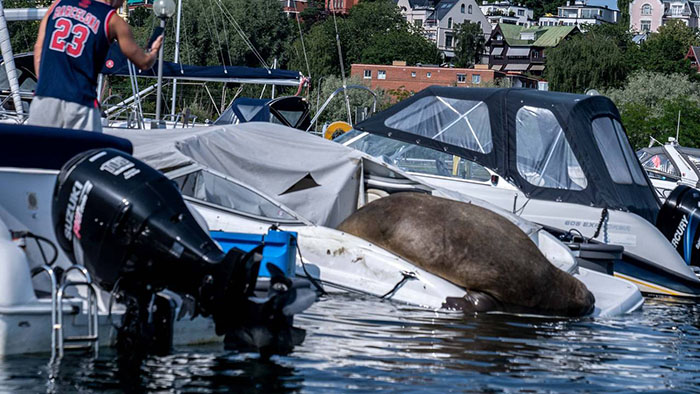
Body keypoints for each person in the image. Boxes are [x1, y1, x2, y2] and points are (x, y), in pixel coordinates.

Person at [28, 0, 163, 132]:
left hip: (45, 98)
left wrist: (43, 84)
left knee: (39, 153)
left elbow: (39, 49)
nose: (122, 3)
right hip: (81, 103)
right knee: (86, 153)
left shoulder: (57, 5)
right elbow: (143, 63)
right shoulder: (112, 20)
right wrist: (154, 51)